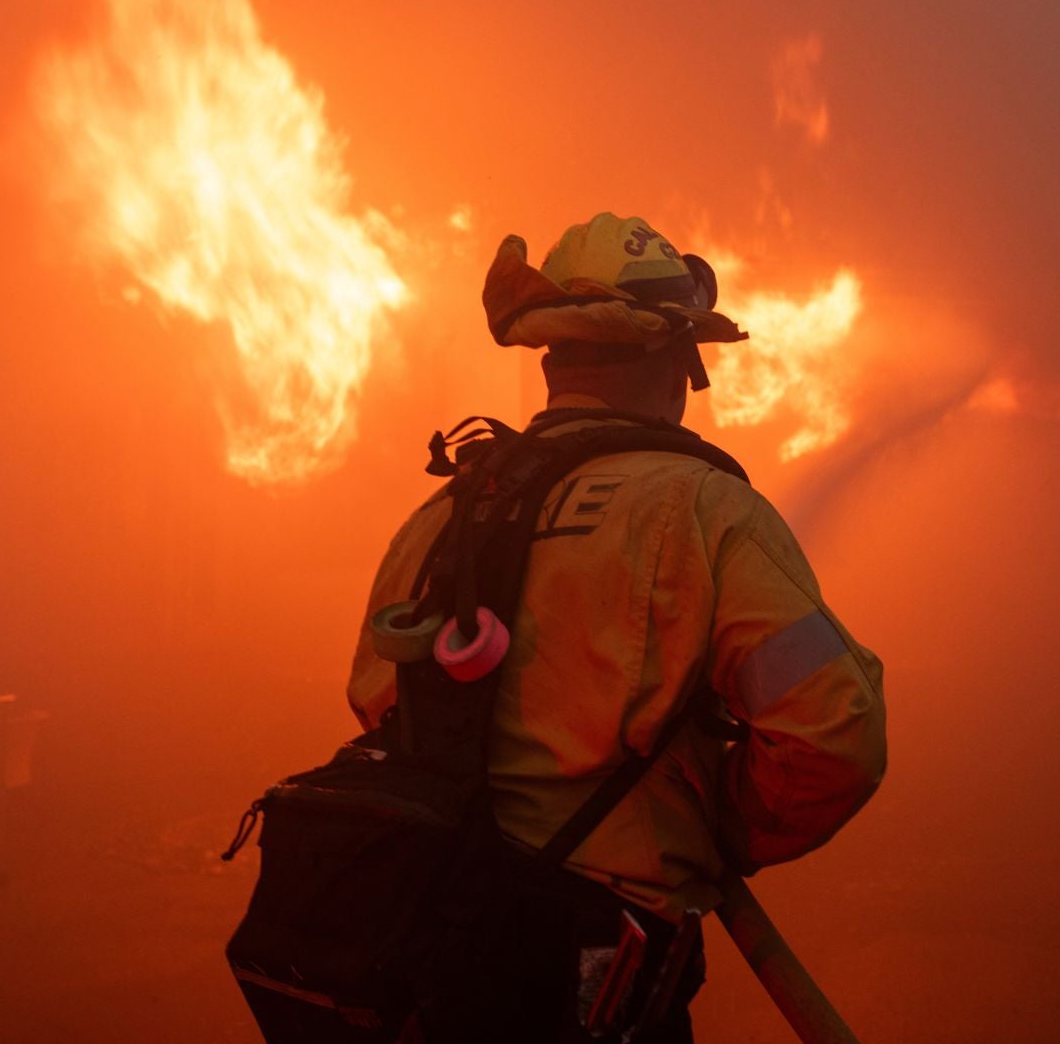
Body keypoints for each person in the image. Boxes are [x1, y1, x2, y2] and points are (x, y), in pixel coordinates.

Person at [346, 212, 887, 1041]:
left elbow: (378, 701)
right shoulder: (705, 510)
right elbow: (834, 734)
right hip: (599, 974)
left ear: (556, 361)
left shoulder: (447, 509)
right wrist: (719, 826)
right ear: (677, 359)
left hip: (432, 953)